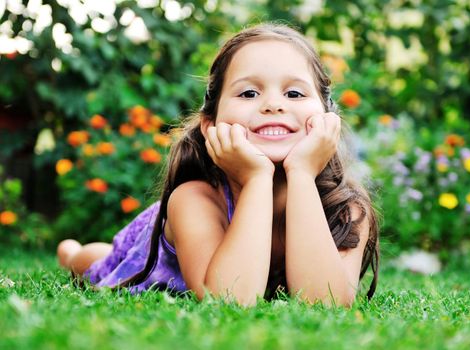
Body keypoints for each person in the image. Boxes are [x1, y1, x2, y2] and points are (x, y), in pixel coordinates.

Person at [57, 23, 379, 306]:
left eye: (294, 93)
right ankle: (70, 252)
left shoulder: (344, 208)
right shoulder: (194, 198)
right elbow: (230, 299)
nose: (273, 105)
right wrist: (256, 178)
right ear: (210, 125)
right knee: (94, 262)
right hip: (146, 254)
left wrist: (302, 174)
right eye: (249, 93)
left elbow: (326, 302)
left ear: (327, 119)